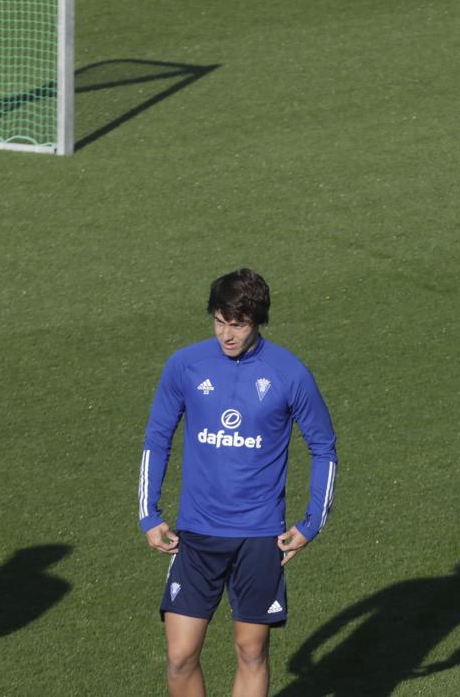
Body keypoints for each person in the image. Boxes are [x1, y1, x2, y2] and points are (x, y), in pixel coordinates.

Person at [137, 268, 338, 697]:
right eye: (219, 321)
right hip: (196, 536)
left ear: (258, 321)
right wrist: (148, 513)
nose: (227, 334)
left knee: (251, 652)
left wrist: (311, 523)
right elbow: (157, 437)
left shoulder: (289, 374)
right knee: (179, 655)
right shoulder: (186, 365)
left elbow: (324, 448)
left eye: (238, 324)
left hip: (258, 538)